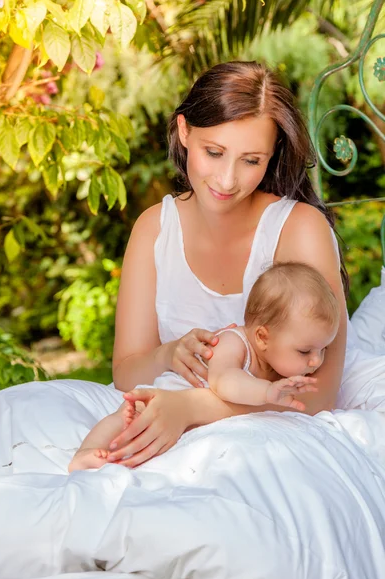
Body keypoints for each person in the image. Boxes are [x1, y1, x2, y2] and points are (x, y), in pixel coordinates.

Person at [103, 60, 350, 468]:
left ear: (272, 158)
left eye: (251, 160)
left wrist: (192, 408)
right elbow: (126, 372)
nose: (227, 179)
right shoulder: (154, 229)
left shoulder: (300, 228)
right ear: (184, 131)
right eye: (214, 152)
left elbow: (318, 395)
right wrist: (167, 356)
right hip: (164, 416)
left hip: (268, 448)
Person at [68, 262, 340, 471]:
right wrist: (268, 392)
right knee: (122, 419)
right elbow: (224, 382)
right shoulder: (233, 343)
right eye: (305, 351)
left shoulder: (277, 359)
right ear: (262, 337)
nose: (316, 361)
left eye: (323, 349)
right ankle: (86, 453)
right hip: (162, 396)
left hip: (185, 415)